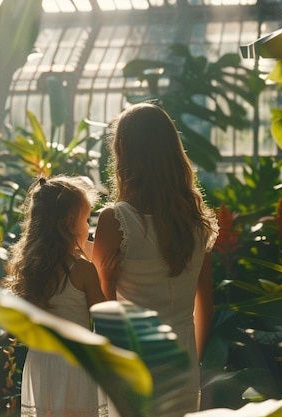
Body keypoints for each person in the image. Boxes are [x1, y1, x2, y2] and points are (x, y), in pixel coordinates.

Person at [92, 102, 219, 416]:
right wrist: (194, 363)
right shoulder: (197, 223)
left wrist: (107, 282)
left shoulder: (116, 220)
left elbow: (99, 306)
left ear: (122, 149)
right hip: (184, 366)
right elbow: (207, 305)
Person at [2, 175, 109, 417]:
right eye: (86, 221)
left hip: (41, 362)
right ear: (70, 222)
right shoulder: (82, 269)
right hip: (75, 365)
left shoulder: (29, 269)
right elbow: (104, 318)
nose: (89, 231)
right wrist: (109, 274)